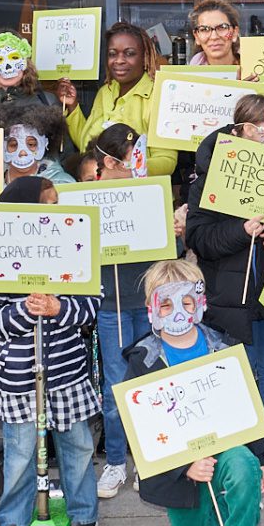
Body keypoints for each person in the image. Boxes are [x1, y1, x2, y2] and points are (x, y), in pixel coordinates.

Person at [0, 175, 102, 526]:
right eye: (47, 205)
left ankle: (83, 514)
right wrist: (23, 311)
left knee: (77, 447)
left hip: (67, 374)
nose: (54, 213)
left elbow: (92, 302)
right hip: (18, 379)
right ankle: (14, 518)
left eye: (58, 205)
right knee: (20, 454)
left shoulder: (74, 250)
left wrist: (60, 308)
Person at [128, 259, 264, 526]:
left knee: (244, 468)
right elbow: (141, 430)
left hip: (224, 447)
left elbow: (246, 403)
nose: (177, 312)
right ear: (152, 308)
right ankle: (225, 510)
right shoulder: (143, 361)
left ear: (200, 303)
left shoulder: (223, 348)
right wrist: (185, 467)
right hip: (176, 462)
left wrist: (259, 459)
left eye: (186, 302)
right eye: (165, 304)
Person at [186, 94, 264, 483]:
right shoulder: (211, 175)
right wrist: (240, 230)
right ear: (243, 130)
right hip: (228, 296)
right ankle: (239, 446)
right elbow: (199, 237)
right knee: (234, 370)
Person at [82, 122, 189, 498]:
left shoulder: (151, 194)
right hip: (111, 305)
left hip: (148, 304)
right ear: (109, 162)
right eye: (133, 159)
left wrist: (176, 231)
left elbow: (171, 256)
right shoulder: (86, 198)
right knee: (115, 385)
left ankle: (152, 461)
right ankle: (115, 461)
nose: (139, 166)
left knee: (154, 381)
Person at [66, 21, 177, 172]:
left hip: (138, 192)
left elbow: (167, 162)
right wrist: (72, 106)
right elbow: (87, 146)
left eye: (129, 53)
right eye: (112, 54)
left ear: (144, 57)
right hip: (98, 190)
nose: (119, 60)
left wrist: (126, 170)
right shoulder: (105, 92)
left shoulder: (158, 97)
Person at [0, 31, 73, 121]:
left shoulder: (48, 102)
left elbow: (61, 144)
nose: (8, 67)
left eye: (14, 58)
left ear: (26, 63)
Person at [0, 97, 74, 186]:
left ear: (45, 143)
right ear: (1, 146)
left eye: (31, 144)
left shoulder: (62, 183)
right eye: (13, 145)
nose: (23, 152)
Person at [188, 0, 241, 66]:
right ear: (197, 37)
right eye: (204, 29)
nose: (214, 37)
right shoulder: (193, 70)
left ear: (234, 33)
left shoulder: (252, 66)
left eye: (222, 27)